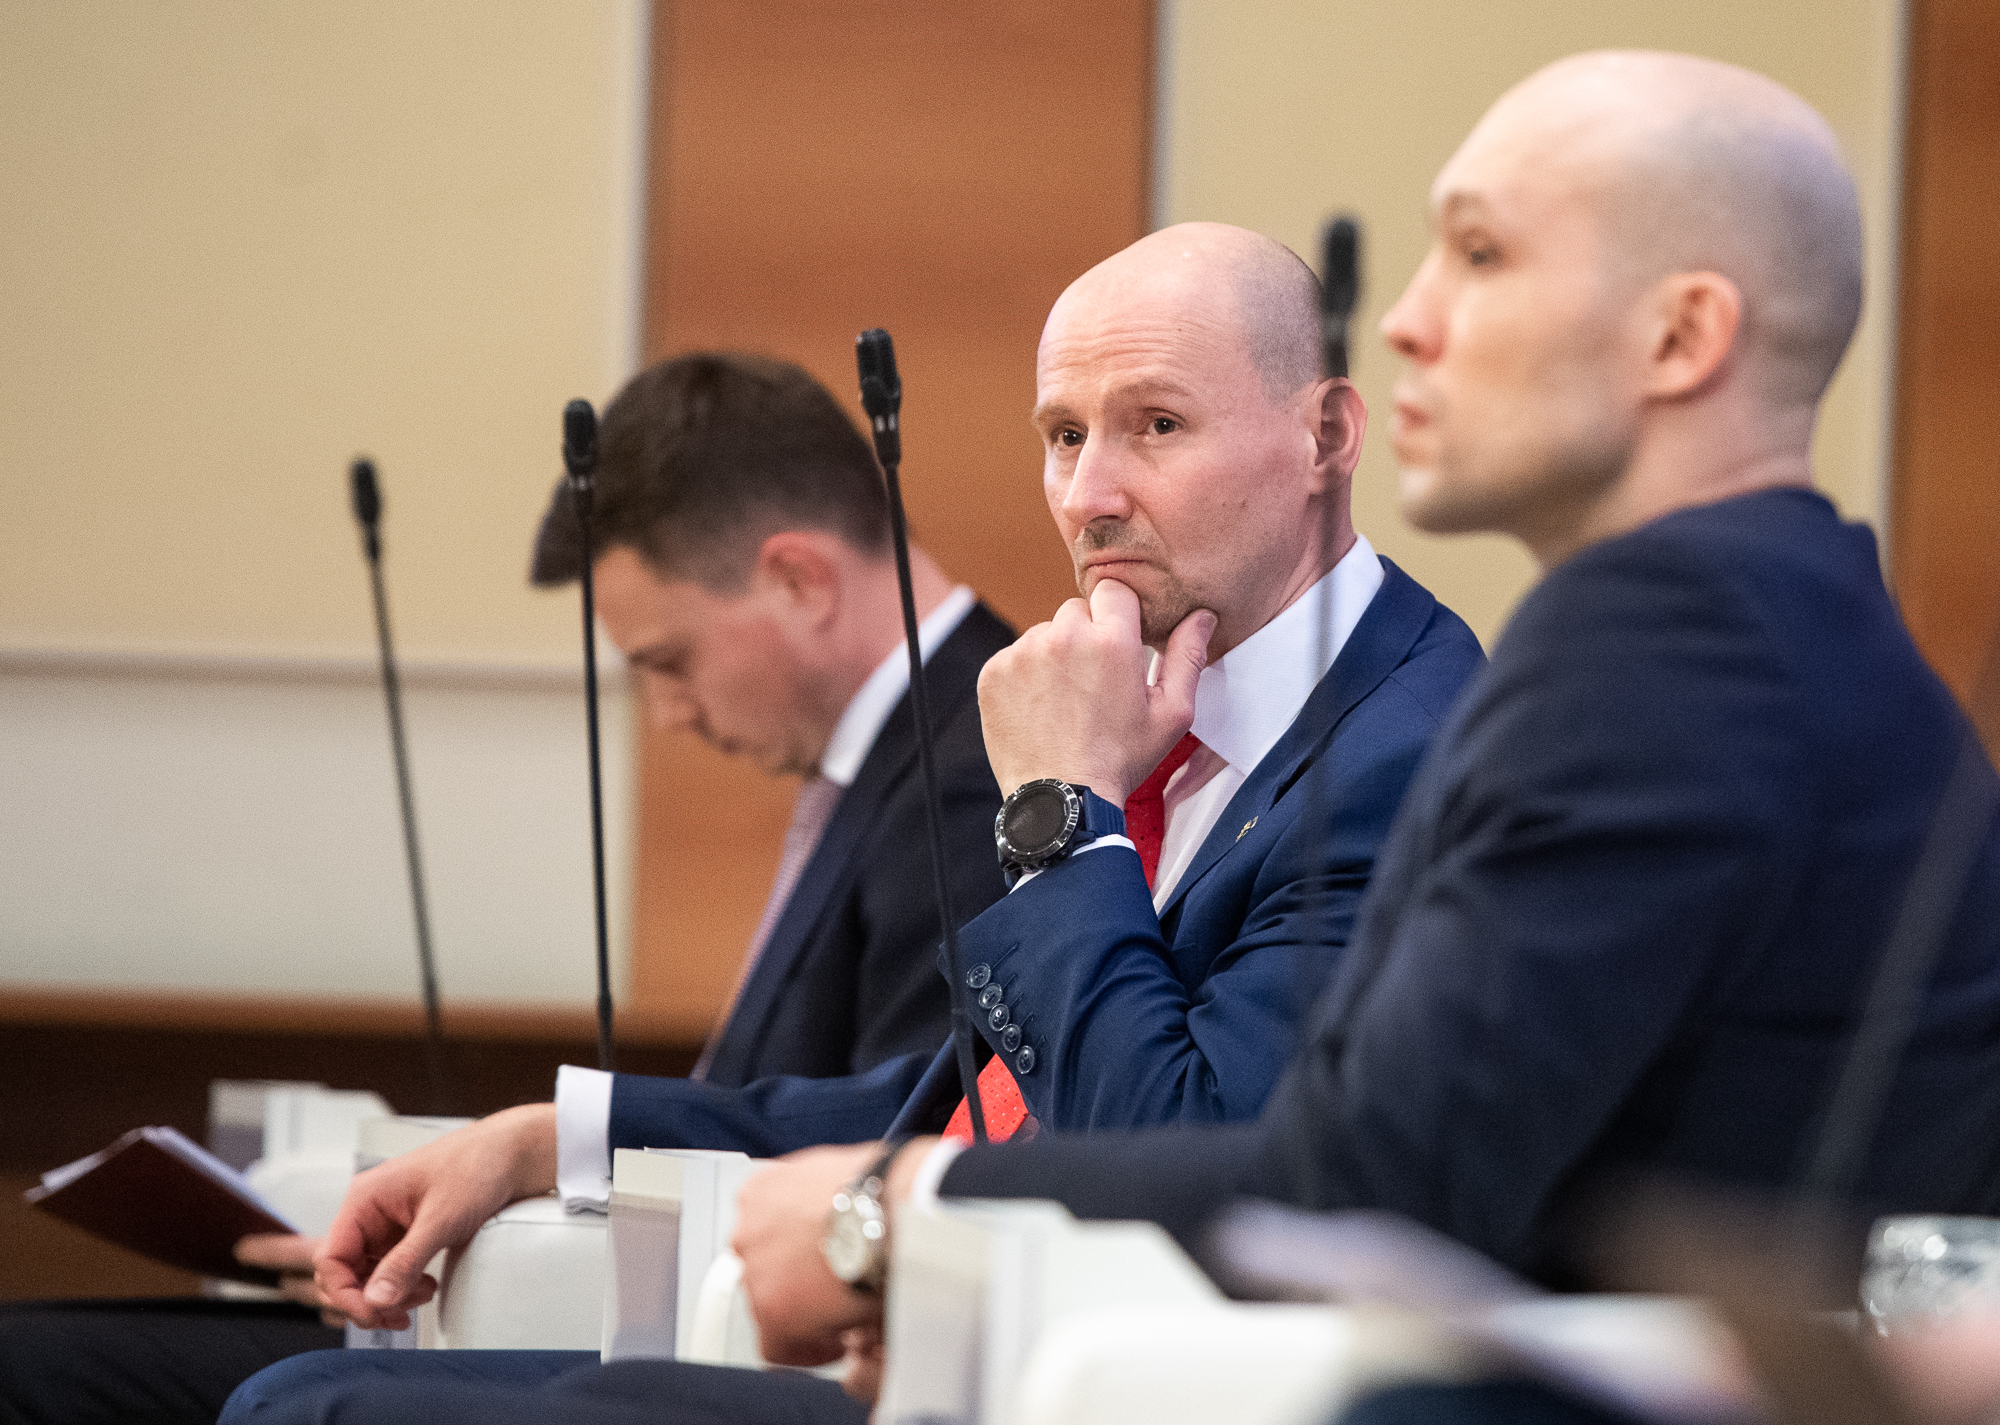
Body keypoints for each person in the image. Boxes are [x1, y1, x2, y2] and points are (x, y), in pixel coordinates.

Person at [714, 46, 2000, 1415]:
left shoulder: (1672, 645)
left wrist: (902, 1207)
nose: (1403, 321)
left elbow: (1353, 1191)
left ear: (1679, 339)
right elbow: (1389, 1149)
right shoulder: (1765, 619)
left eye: (1480, 254)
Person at [217, 222, 1484, 1420]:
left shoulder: (1398, 750)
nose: (1088, 495)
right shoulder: (1150, 712)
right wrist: (556, 1138)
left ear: (1324, 435)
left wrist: (1058, 819)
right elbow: (966, 1103)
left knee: (316, 1407)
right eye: (1060, 435)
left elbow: (1177, 1149)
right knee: (309, 1392)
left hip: (1078, 1375)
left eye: (1155, 425)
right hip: (945, 1333)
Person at [0, 350, 1017, 1425]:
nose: (669, 714)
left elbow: (907, 1145)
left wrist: (537, 1177)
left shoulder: (973, 773)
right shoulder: (903, 759)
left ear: (798, 578)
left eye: (667, 661)